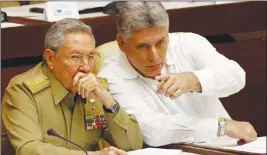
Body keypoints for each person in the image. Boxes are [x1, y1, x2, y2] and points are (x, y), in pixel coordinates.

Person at [97, 2, 257, 147]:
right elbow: (151, 130)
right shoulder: (111, 76)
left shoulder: (188, 44)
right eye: (142, 46)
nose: (154, 56)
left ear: (168, 35)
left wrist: (194, 80)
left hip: (229, 146)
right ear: (121, 43)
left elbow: (237, 77)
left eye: (160, 43)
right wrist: (221, 126)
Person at [1, 18, 143, 155]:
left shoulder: (96, 90)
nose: (86, 67)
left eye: (90, 56)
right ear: (50, 58)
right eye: (75, 57)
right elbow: (29, 150)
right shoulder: (22, 91)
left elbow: (132, 145)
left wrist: (108, 100)